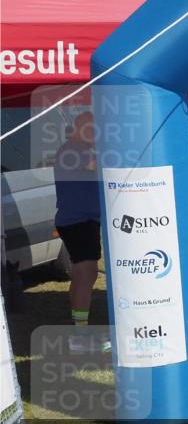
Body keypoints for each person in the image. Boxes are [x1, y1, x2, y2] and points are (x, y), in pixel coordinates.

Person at [54, 112, 107, 352]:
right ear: (79, 127)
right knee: (87, 275)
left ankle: (78, 327)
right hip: (78, 221)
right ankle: (80, 336)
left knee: (80, 275)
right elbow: (97, 164)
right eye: (91, 128)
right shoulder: (73, 151)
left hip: (81, 221)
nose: (95, 133)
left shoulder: (80, 149)